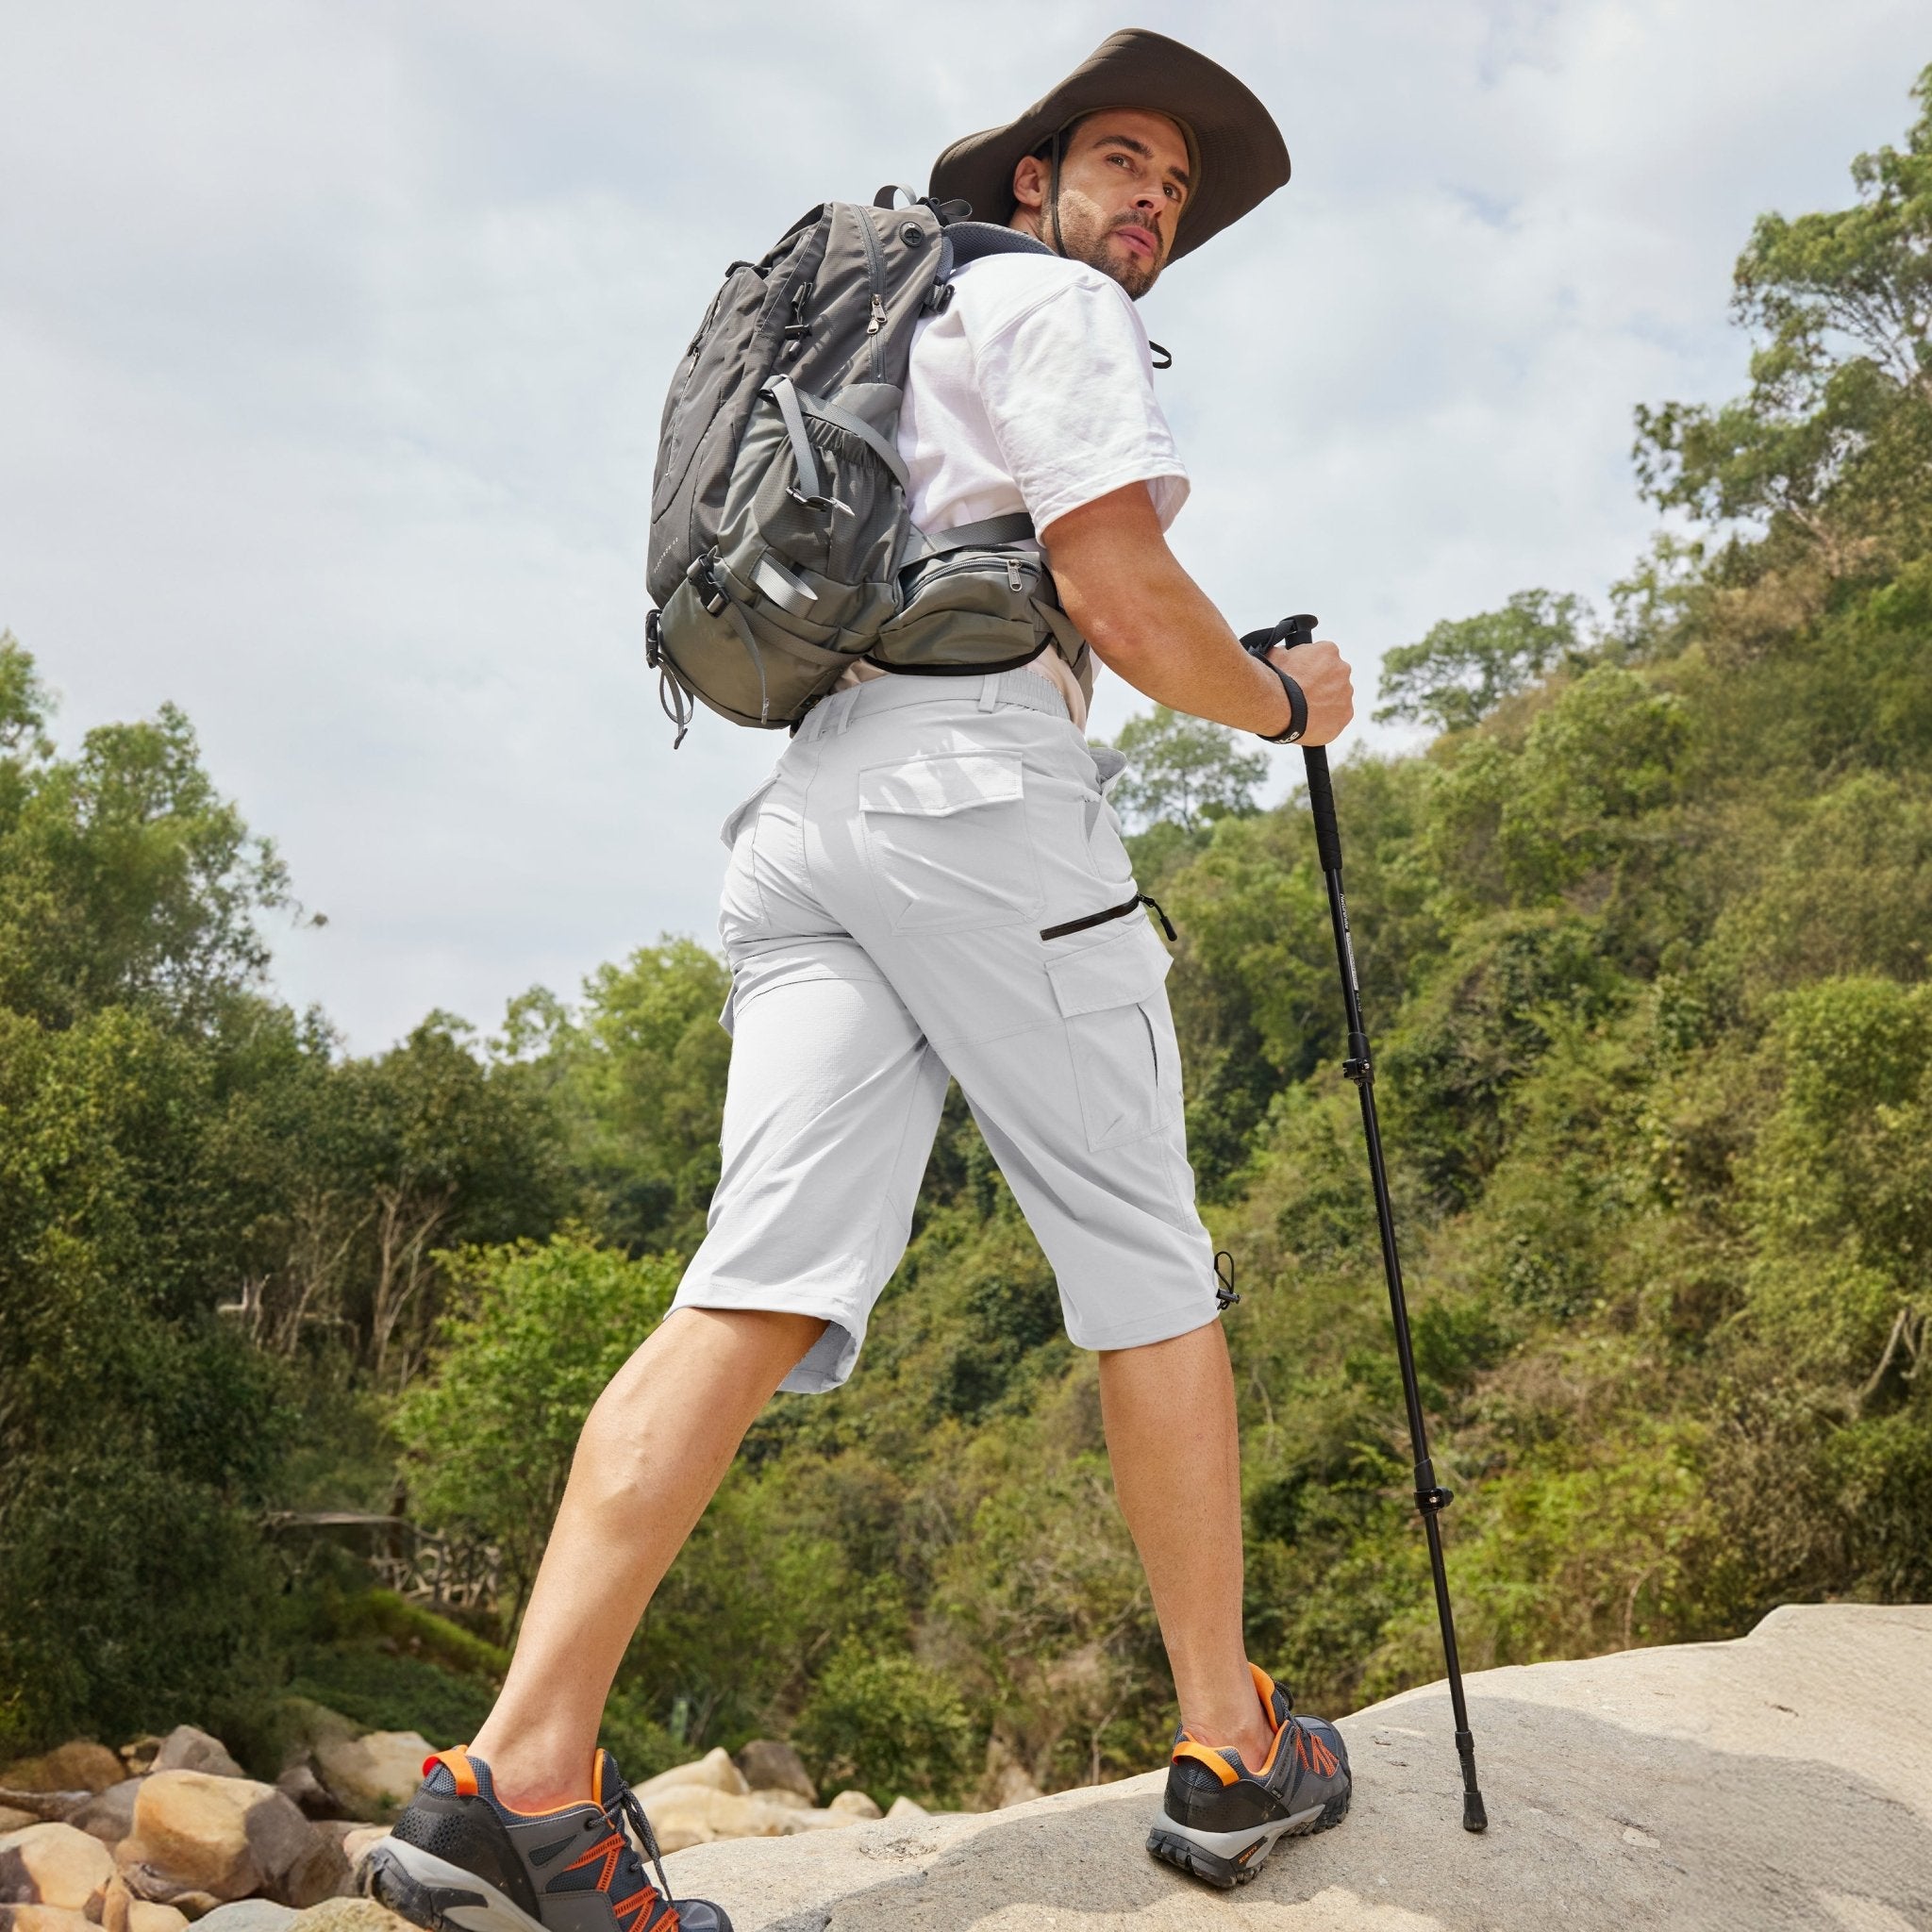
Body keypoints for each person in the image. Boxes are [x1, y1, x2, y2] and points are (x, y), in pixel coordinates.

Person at [368, 30, 1357, 1932]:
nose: (1152, 199)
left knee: (750, 1282)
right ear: (1028, 186)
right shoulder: (1049, 305)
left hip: (813, 807)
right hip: (981, 794)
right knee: (1151, 1265)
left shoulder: (905, 330)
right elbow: (1126, 593)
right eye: (1123, 160)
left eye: (1176, 189)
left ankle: (518, 1774)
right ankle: (1234, 1744)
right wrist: (1281, 703)